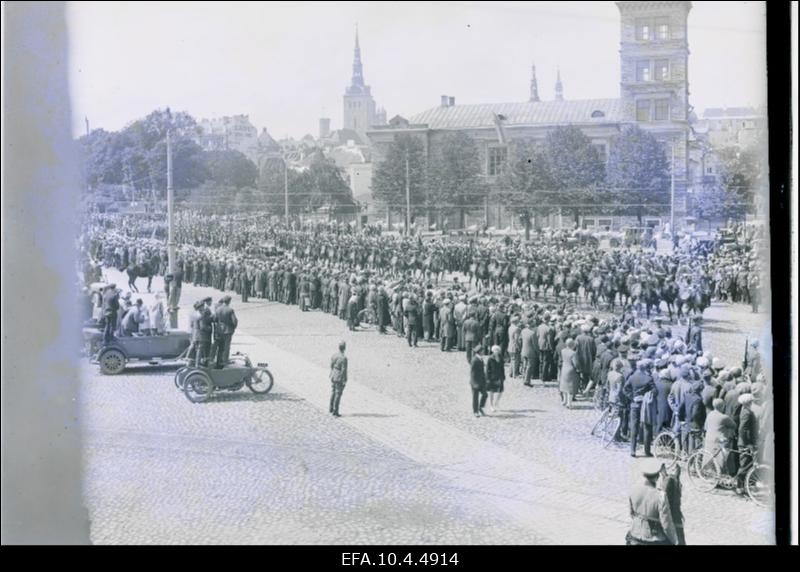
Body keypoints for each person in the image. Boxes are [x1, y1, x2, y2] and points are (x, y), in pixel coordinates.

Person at [626, 458, 679, 545]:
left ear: (644, 474)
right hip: (654, 540)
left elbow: (631, 514)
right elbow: (666, 524)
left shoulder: (633, 489)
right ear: (657, 477)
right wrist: (675, 541)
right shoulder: (661, 496)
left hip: (634, 535)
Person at [623, 360, 656, 457]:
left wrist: (632, 396)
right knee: (647, 427)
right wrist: (647, 396)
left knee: (634, 427)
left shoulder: (632, 377)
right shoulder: (648, 378)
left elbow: (625, 389)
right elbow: (655, 391)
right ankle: (647, 450)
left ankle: (632, 450)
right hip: (645, 405)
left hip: (634, 404)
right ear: (645, 368)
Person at [214, 295, 238, 368]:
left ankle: (218, 361)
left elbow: (215, 319)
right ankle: (225, 361)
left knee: (220, 347)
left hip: (219, 330)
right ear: (229, 301)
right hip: (227, 331)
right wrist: (233, 328)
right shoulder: (230, 310)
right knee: (226, 347)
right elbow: (234, 321)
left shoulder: (218, 309)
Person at [558, 338, 580, 409]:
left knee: (564, 386)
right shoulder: (573, 353)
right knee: (570, 387)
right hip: (571, 370)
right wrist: (578, 369)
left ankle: (564, 401)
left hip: (564, 368)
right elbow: (575, 363)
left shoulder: (563, 351)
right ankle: (569, 403)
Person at [329, 341, 348, 417]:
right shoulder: (343, 358)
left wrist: (332, 372)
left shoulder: (334, 355)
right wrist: (344, 379)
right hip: (339, 376)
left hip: (333, 374)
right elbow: (344, 370)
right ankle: (335, 410)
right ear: (344, 348)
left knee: (333, 392)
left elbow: (331, 365)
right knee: (338, 394)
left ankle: (330, 408)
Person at [469, 344, 488, 418]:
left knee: (485, 394)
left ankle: (480, 407)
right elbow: (472, 373)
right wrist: (474, 383)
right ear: (479, 352)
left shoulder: (480, 359)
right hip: (475, 382)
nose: (483, 352)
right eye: (482, 351)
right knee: (475, 398)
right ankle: (475, 411)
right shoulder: (474, 360)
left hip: (481, 381)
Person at [486, 345, 506, 412]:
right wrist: (488, 378)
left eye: (498, 350)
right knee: (491, 392)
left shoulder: (501, 358)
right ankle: (491, 405)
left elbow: (502, 368)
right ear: (493, 351)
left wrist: (503, 376)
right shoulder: (490, 358)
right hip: (492, 377)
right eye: (495, 350)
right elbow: (487, 369)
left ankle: (496, 403)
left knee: (500, 391)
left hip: (499, 376)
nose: (496, 351)